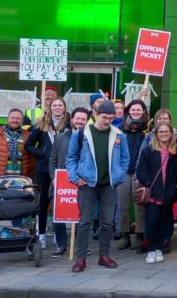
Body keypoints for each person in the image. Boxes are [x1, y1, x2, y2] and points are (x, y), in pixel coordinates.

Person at [66, 100, 129, 273]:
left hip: (109, 184)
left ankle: (104, 255)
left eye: (111, 118)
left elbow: (125, 159)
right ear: (95, 115)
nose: (107, 121)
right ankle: (81, 259)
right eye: (104, 117)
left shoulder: (118, 135)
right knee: (84, 222)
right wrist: (74, 177)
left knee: (108, 222)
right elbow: (71, 158)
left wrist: (119, 175)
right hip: (87, 183)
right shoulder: (81, 134)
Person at [25, 96, 69, 249]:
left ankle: (59, 235)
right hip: (43, 168)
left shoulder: (69, 124)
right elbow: (28, 145)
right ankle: (41, 235)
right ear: (50, 108)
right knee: (43, 202)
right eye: (54, 105)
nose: (57, 108)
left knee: (60, 202)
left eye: (60, 105)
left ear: (64, 107)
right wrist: (42, 154)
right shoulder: (42, 124)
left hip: (62, 169)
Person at [135, 121, 177, 265]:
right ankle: (151, 250)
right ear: (156, 134)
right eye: (161, 132)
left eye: (167, 132)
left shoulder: (175, 152)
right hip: (153, 194)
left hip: (168, 194)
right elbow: (141, 170)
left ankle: (160, 248)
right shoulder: (148, 150)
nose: (164, 134)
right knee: (152, 221)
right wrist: (149, 185)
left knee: (165, 222)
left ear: (171, 134)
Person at [49, 107, 89, 257]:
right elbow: (52, 160)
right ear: (72, 119)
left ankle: (80, 244)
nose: (80, 121)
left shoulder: (89, 138)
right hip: (61, 183)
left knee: (82, 215)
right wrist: (54, 178)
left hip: (82, 182)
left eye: (83, 119)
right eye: (77, 118)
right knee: (58, 215)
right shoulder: (60, 138)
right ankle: (61, 244)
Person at [116, 98, 149, 251]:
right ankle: (124, 235)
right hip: (123, 172)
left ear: (143, 112)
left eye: (139, 110)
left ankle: (139, 234)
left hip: (140, 172)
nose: (136, 112)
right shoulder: (121, 129)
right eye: (133, 109)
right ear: (128, 111)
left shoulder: (148, 130)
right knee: (123, 205)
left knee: (139, 205)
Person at [0, 108, 34, 179]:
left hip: (21, 179)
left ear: (22, 121)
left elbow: (31, 159)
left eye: (18, 118)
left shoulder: (27, 136)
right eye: (12, 118)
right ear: (7, 119)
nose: (15, 120)